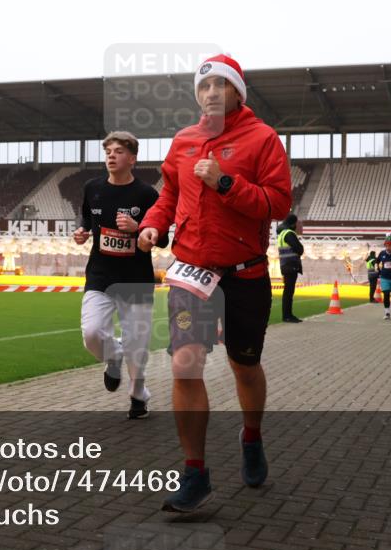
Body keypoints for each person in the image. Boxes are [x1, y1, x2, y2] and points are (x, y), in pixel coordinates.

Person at [137, 54, 292, 512]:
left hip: (245, 274)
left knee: (244, 366)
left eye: (220, 85)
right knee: (185, 362)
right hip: (190, 270)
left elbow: (278, 203)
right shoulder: (184, 141)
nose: (210, 94)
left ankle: (251, 436)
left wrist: (226, 184)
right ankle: (195, 472)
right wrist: (153, 225)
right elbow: (169, 194)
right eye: (203, 87)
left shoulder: (262, 139)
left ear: (237, 93)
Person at [74, 131, 164, 419]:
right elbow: (87, 218)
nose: (111, 156)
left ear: (132, 159)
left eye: (119, 151)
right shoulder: (92, 187)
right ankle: (112, 356)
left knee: (137, 346)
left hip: (135, 279)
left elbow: (161, 240)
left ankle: (139, 397)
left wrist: (138, 227)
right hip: (100, 274)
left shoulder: (147, 194)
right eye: (108, 151)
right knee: (91, 333)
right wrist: (82, 231)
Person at [276, 214, 303, 323]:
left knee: (288, 291)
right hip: (291, 265)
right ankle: (287, 315)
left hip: (285, 265)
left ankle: (287, 315)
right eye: (297, 223)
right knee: (289, 292)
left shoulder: (282, 233)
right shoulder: (289, 234)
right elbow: (299, 249)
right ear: (293, 223)